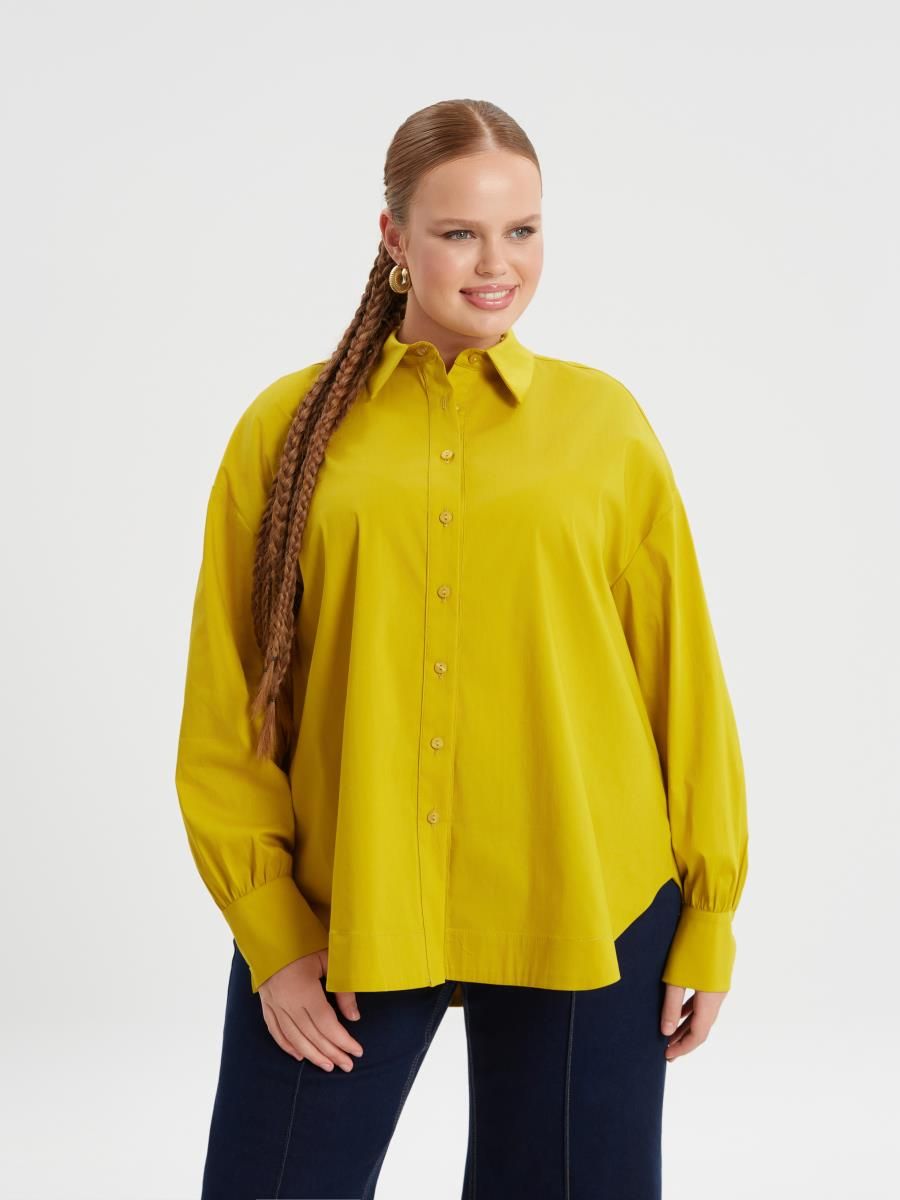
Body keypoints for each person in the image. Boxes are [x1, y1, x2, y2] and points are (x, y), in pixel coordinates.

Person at [174, 97, 749, 1199]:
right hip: (348, 907)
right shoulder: (286, 433)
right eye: (460, 233)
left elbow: (682, 681)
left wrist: (710, 916)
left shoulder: (604, 427)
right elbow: (230, 701)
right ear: (393, 237)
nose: (498, 265)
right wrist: (270, 930)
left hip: (586, 898)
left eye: (522, 230)